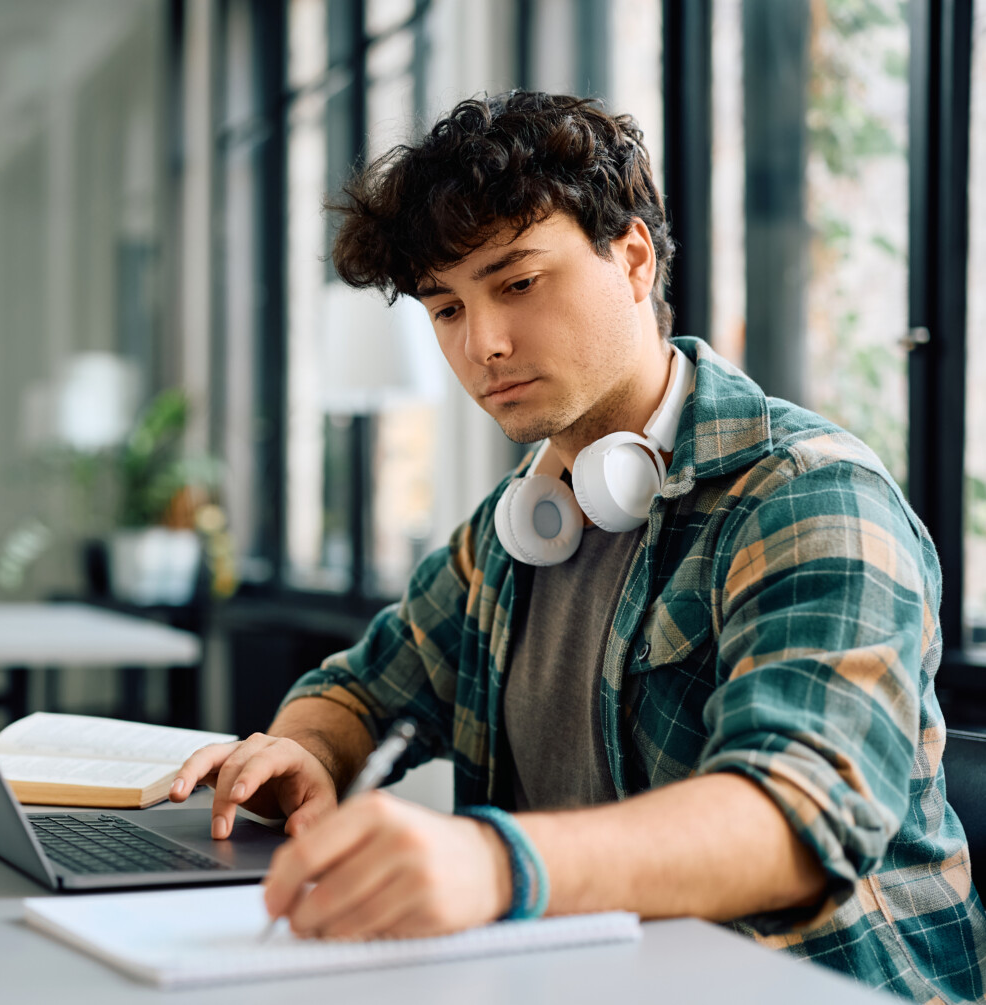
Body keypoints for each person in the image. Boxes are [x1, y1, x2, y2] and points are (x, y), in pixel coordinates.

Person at [170, 92, 983, 1002]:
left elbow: (800, 816)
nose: (485, 343)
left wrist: (494, 863)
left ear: (633, 258)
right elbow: (358, 687)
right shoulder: (516, 527)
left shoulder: (808, 495)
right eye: (446, 309)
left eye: (517, 282)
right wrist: (306, 752)